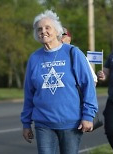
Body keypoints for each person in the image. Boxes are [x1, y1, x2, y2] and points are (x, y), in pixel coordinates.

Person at [20, 10, 98, 154]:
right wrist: (26, 123)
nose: (43, 31)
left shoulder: (73, 53)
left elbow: (88, 86)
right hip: (43, 123)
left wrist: (88, 115)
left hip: (71, 123)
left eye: (47, 27)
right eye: (39, 29)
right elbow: (29, 93)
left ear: (57, 31)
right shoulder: (34, 58)